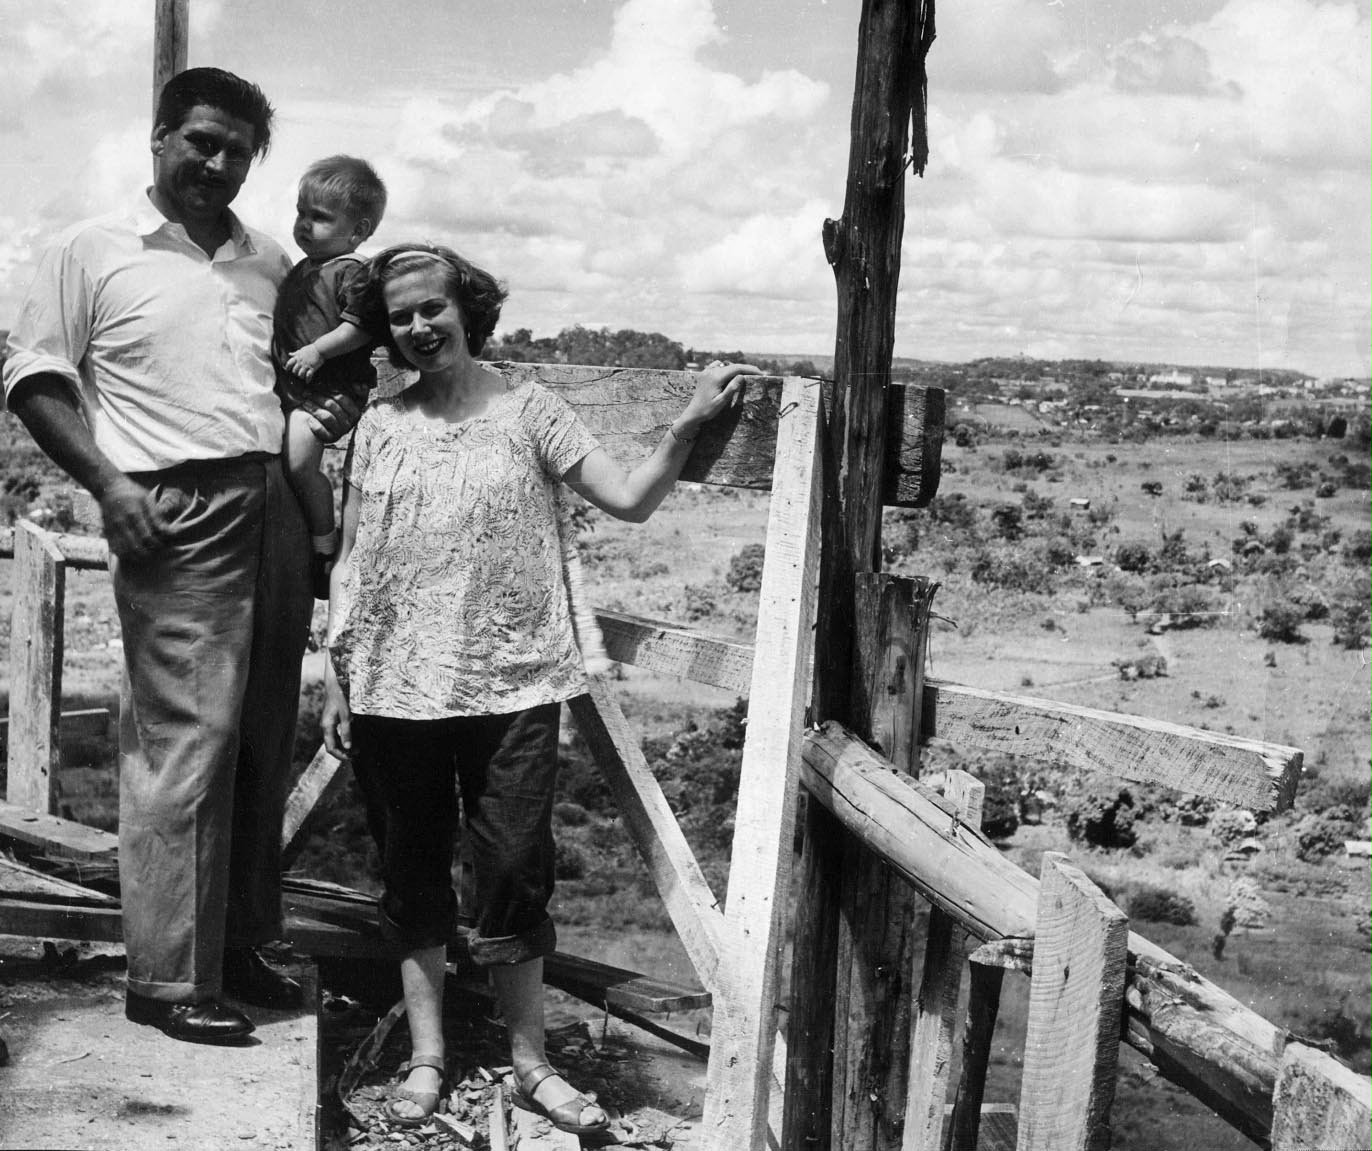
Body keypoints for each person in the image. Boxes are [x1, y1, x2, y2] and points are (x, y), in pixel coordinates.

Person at [321, 243, 758, 1132]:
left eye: (432, 308)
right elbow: (352, 559)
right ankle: (429, 1056)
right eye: (400, 316)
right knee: (412, 874)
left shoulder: (530, 411)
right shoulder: (379, 425)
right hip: (390, 688)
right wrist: (336, 671)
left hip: (515, 683)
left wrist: (688, 421)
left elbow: (630, 497)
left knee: (515, 873)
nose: (418, 327)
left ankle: (530, 1062)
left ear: (467, 309)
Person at [1, 67, 311, 1044]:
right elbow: (35, 379)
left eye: (237, 152)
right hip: (172, 508)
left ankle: (242, 945)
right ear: (161, 137)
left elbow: (303, 385)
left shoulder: (271, 261)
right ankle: (170, 975)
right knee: (188, 742)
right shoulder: (90, 250)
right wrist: (111, 487)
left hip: (275, 502)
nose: (217, 165)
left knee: (264, 734)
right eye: (201, 143)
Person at [272, 155, 387, 597]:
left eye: (319, 217)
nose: (304, 224)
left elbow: (363, 325)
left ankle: (324, 542)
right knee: (283, 461)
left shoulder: (353, 271)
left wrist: (319, 351)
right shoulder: (302, 268)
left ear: (357, 231)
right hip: (296, 387)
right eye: (301, 212)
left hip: (332, 389)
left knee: (300, 459)